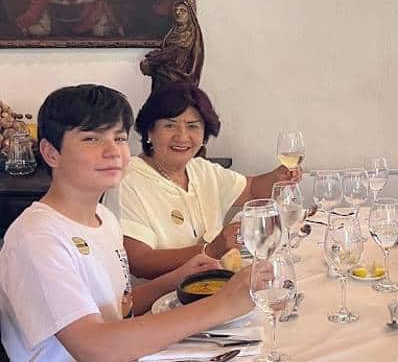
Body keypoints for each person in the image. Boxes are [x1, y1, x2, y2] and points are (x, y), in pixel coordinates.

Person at [0, 84, 255, 362]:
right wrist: (222, 305)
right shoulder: (37, 238)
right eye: (91, 138)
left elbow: (118, 306)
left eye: (119, 138)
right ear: (51, 153)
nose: (112, 151)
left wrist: (177, 278)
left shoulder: (103, 217)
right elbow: (94, 347)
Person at [103, 83, 301, 280]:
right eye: (170, 125)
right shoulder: (128, 181)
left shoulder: (200, 169)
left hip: (215, 287)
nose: (182, 136)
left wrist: (278, 178)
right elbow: (138, 261)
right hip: (163, 301)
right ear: (149, 132)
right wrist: (210, 251)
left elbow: (251, 189)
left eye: (192, 126)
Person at [140, 0, 204, 92]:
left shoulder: (189, 35)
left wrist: (152, 59)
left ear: (190, 15)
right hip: (165, 75)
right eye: (176, 10)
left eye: (182, 11)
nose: (178, 13)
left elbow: (174, 53)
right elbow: (169, 51)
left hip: (178, 78)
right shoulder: (173, 32)